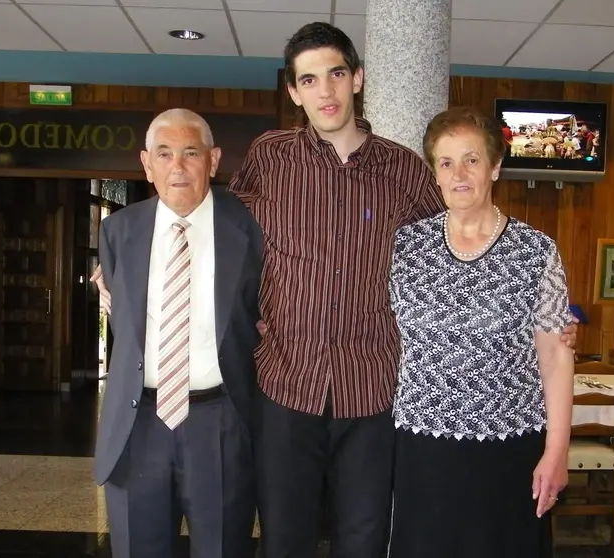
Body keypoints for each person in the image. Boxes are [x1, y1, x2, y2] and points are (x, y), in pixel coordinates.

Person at [92, 23, 578, 558]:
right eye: (309, 80)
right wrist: (122, 265)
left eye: (337, 74)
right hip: (284, 390)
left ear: (358, 79)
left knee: (364, 542)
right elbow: (211, 219)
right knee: (284, 542)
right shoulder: (270, 158)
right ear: (294, 92)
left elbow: (460, 237)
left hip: (371, 394)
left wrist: (546, 313)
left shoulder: (404, 170)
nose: (325, 91)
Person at [386, 107, 573, 558]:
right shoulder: (407, 247)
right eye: (445, 163)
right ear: (435, 175)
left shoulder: (535, 251)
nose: (459, 173)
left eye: (471, 159)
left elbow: (556, 357)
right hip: (424, 446)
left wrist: (557, 450)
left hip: (510, 447)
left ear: (495, 167)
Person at [93, 108, 262, 558]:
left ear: (213, 160)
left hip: (219, 420)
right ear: (147, 164)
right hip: (137, 423)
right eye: (164, 154)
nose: (178, 166)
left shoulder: (251, 228)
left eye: (191, 152)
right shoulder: (117, 231)